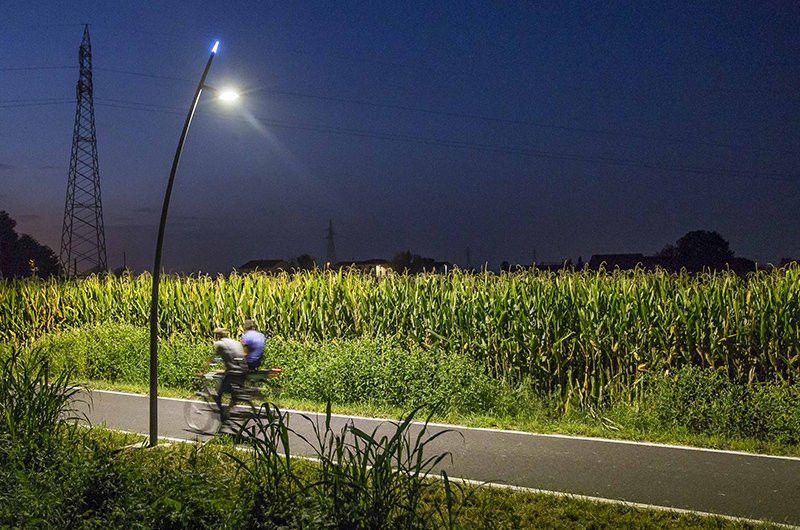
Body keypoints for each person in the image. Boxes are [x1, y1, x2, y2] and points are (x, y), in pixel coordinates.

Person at [212, 327, 247, 420]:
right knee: (234, 394)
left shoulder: (219, 344)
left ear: (217, 335)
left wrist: (203, 370)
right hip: (243, 370)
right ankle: (228, 410)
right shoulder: (235, 342)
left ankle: (223, 415)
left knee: (218, 394)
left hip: (233, 372)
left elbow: (212, 359)